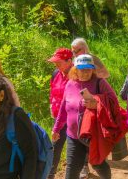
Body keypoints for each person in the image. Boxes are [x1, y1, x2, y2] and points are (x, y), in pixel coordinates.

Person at [52, 54, 117, 179]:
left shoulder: (100, 83)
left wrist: (97, 102)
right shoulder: (70, 84)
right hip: (73, 136)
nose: (85, 72)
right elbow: (63, 109)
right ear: (75, 69)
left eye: (88, 68)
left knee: (97, 164)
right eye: (81, 69)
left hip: (93, 135)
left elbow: (114, 102)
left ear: (93, 69)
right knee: (71, 170)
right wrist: (56, 129)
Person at [47, 48, 73, 179]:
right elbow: (52, 92)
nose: (56, 64)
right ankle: (50, 174)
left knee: (74, 149)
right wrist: (52, 106)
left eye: (59, 62)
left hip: (74, 118)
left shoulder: (79, 74)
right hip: (58, 117)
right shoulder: (56, 73)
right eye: (55, 62)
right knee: (55, 146)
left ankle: (79, 169)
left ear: (69, 61)